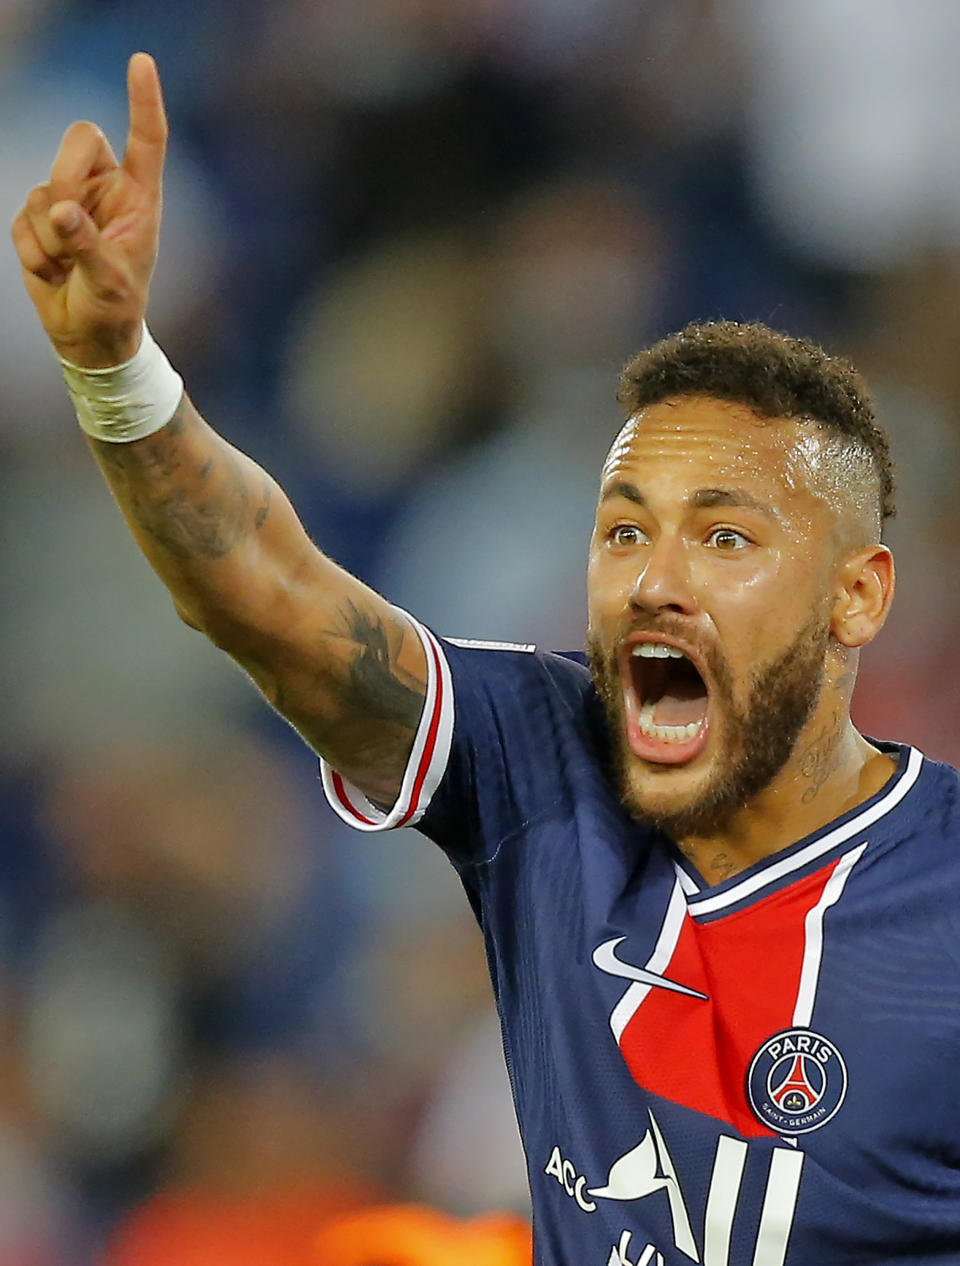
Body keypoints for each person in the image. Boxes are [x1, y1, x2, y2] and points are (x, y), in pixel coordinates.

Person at [13, 53, 960, 1266]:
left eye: (724, 536)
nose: (654, 579)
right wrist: (117, 373)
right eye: (624, 530)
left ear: (856, 598)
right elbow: (271, 598)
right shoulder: (546, 763)